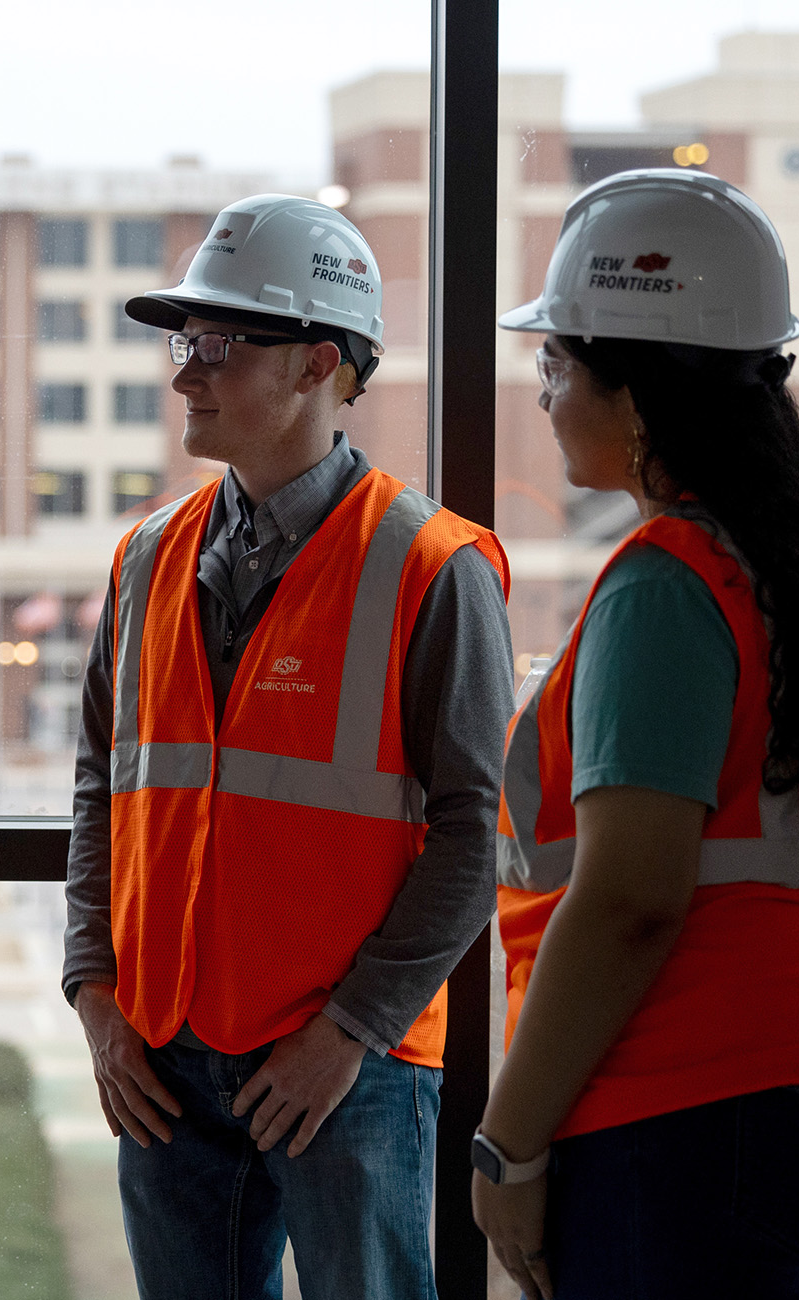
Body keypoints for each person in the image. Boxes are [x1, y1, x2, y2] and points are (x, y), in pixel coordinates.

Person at [469, 169, 799, 1300]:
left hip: (693, 1107)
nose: (544, 392)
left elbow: (629, 898)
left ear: (637, 391)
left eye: (557, 363)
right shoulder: (775, 570)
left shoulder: (661, 585)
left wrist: (506, 1144)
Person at [65, 194, 515, 1298]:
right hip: (162, 1056)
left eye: (219, 344)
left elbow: (475, 834)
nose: (185, 372)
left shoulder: (432, 566)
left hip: (342, 1070)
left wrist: (349, 1031)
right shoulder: (146, 557)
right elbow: (101, 786)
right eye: (185, 341)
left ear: (318, 364)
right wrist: (94, 991)